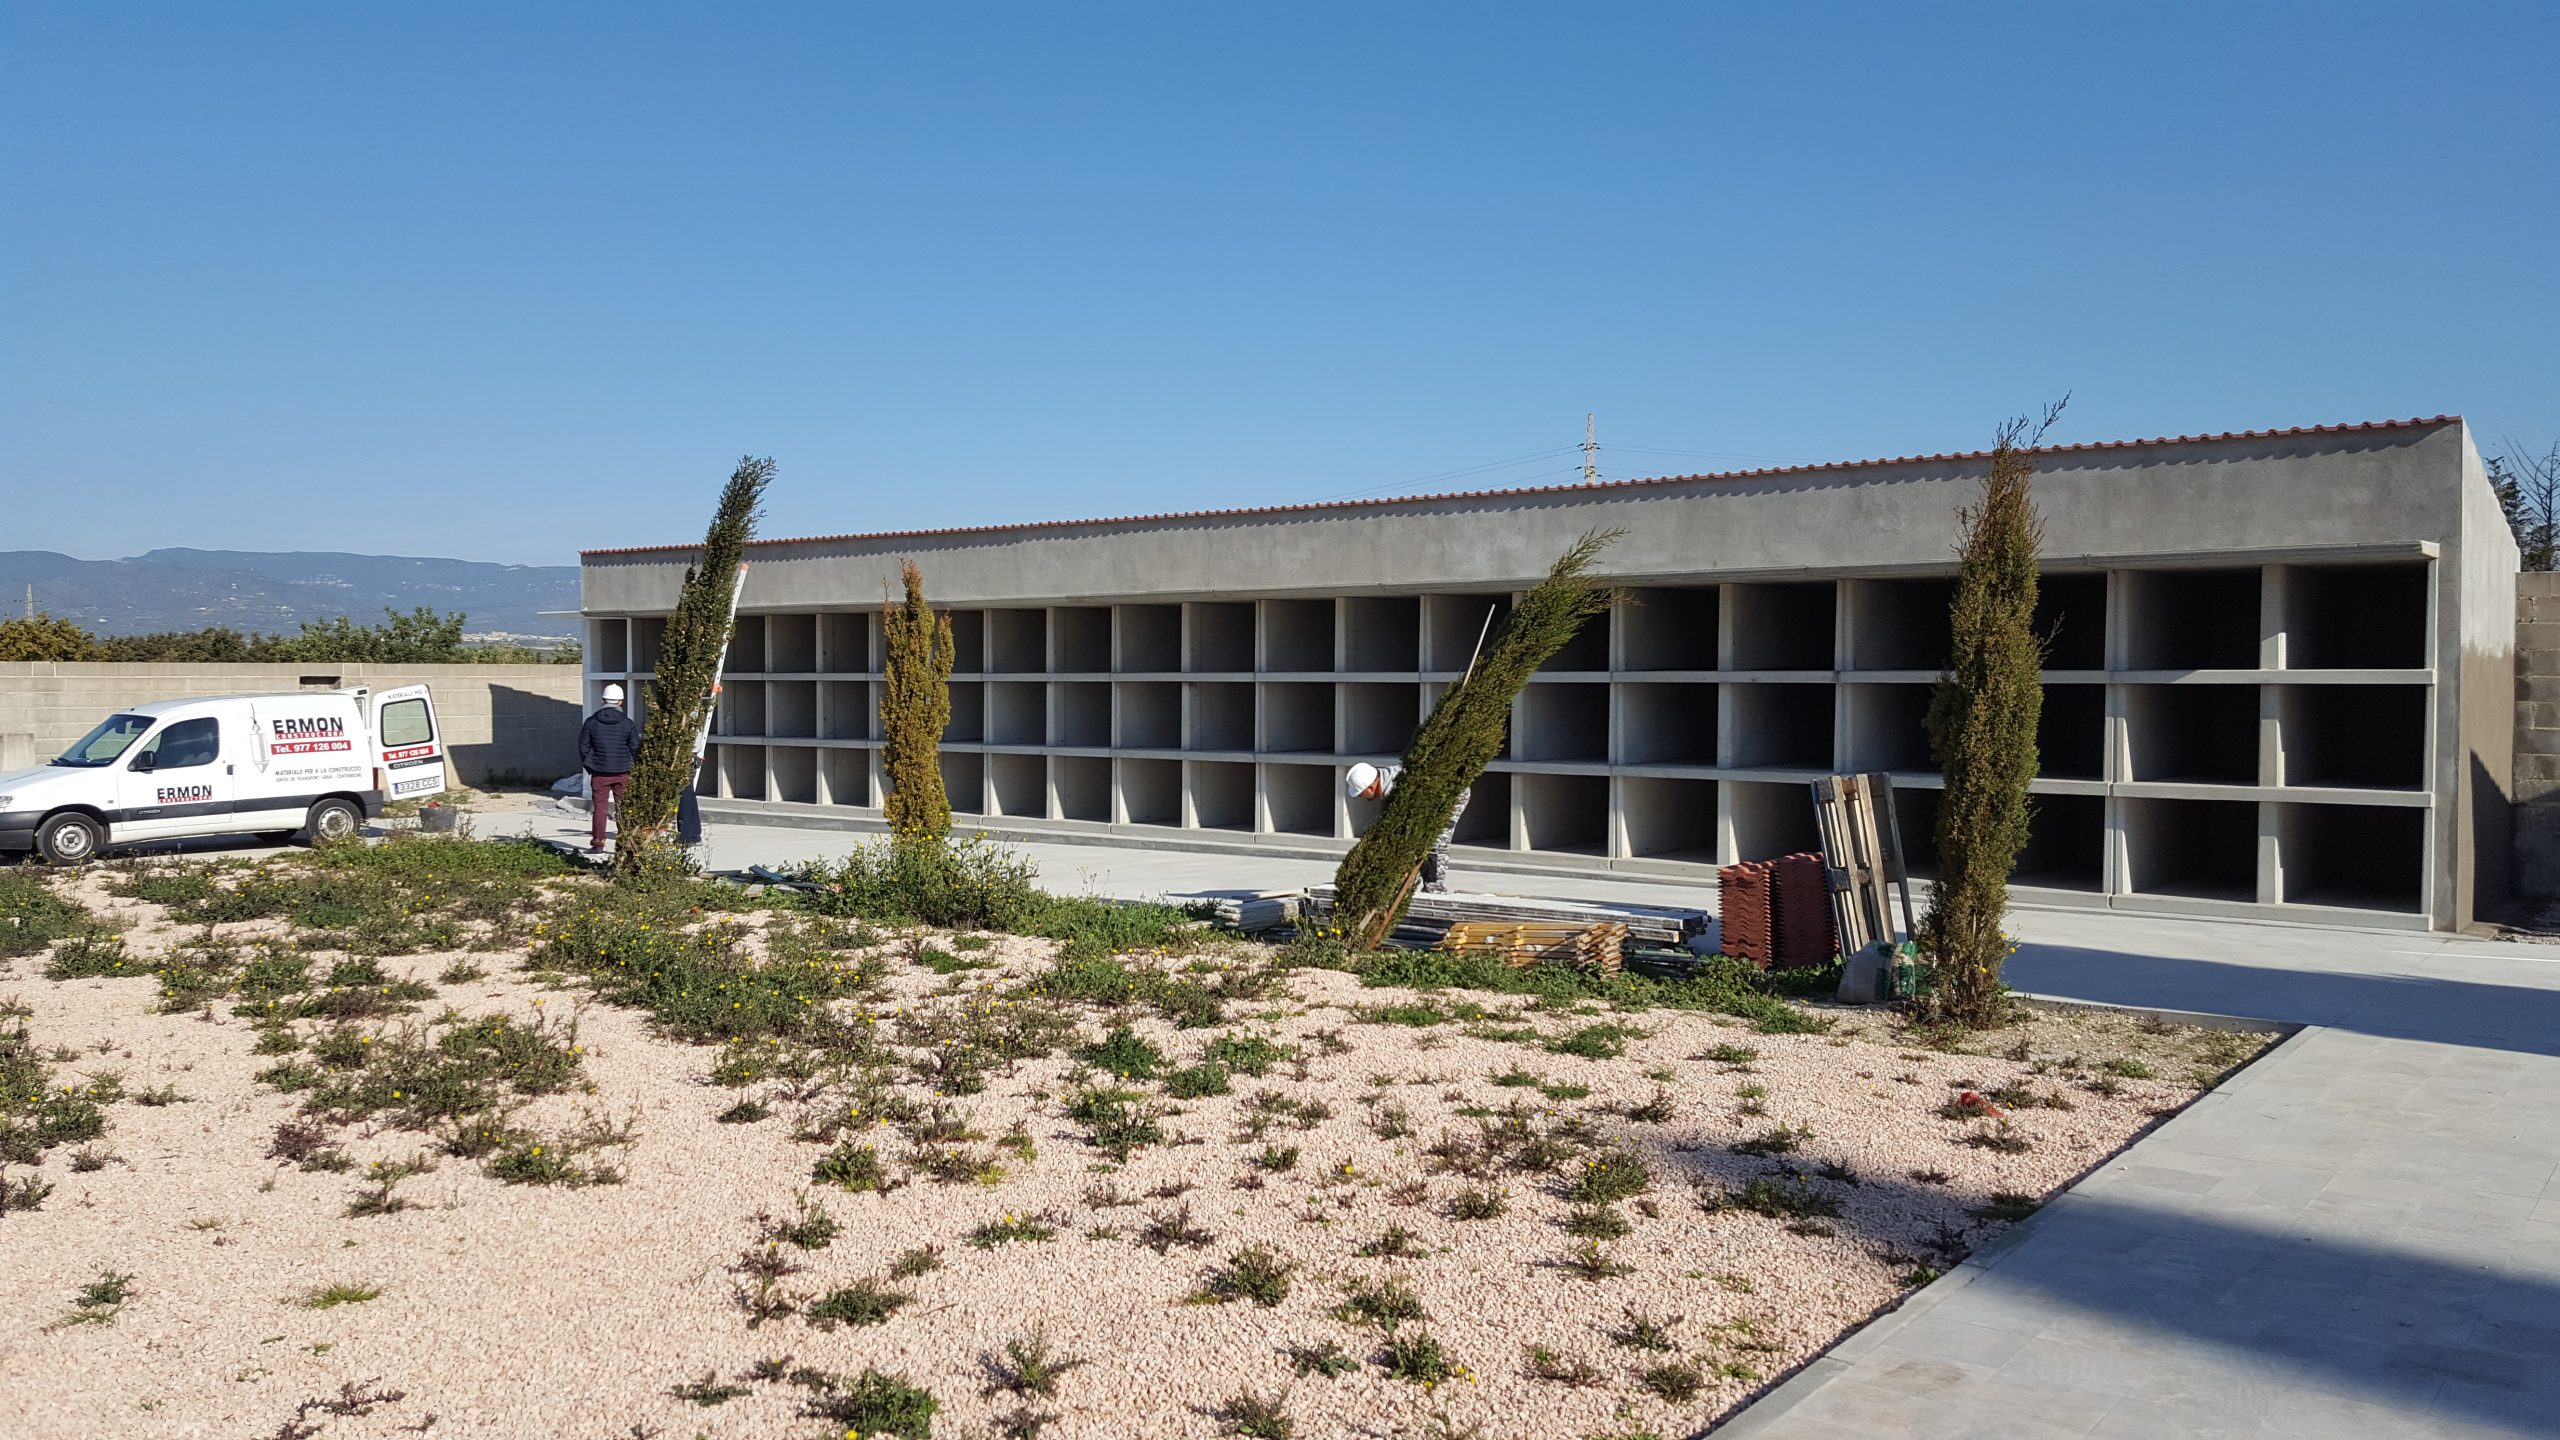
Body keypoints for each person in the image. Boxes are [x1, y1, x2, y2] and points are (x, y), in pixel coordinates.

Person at [1346, 761, 1469, 894]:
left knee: (1436, 840)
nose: (1359, 797)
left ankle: (1434, 889)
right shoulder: (1386, 781)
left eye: (1360, 793)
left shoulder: (1398, 789)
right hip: (1433, 797)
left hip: (1452, 794)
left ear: (1370, 788)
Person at [576, 684, 644, 853]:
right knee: (624, 808)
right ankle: (624, 844)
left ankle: (598, 844)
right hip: (623, 771)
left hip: (599, 772)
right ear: (621, 702)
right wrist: (632, 766)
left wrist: (591, 765)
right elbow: (635, 747)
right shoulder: (627, 723)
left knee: (600, 808)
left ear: (603, 700)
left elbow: (583, 747)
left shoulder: (591, 722)